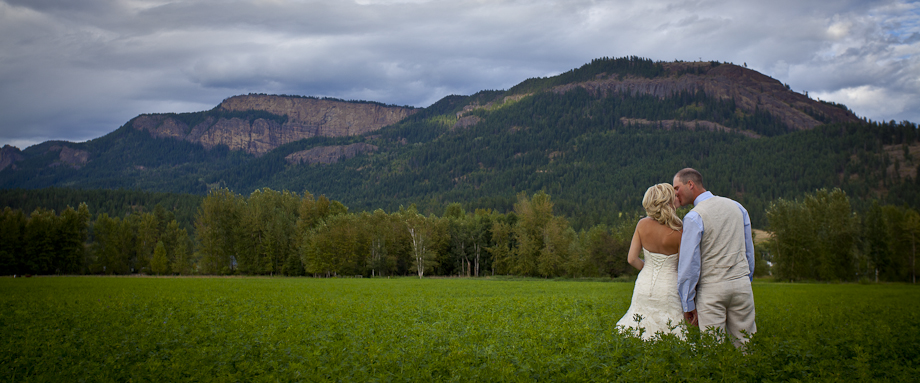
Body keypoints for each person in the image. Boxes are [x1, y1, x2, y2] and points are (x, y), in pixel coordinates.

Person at [673, 168, 756, 348]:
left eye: (677, 188)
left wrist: (688, 303)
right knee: (746, 344)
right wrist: (745, 279)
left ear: (690, 184)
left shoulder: (694, 217)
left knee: (713, 348)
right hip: (741, 284)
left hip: (712, 289)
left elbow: (689, 265)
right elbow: (749, 251)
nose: (675, 193)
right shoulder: (737, 207)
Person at [616, 183, 686, 340]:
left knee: (638, 327)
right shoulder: (680, 229)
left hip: (644, 284)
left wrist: (647, 269)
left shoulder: (642, 225)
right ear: (668, 201)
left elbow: (632, 259)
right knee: (670, 329)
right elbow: (683, 265)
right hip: (669, 286)